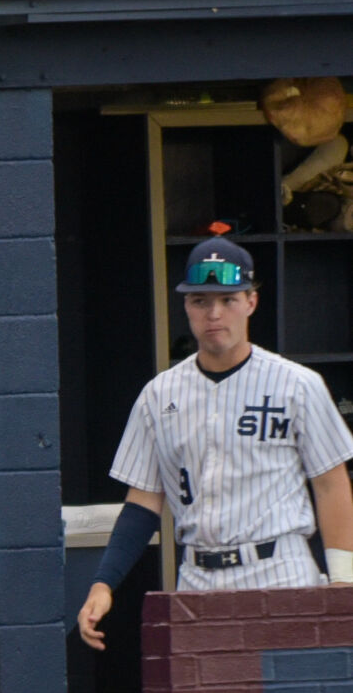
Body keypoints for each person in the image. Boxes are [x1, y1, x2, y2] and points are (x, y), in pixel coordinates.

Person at [78, 235, 353, 649]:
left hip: (280, 571)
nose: (214, 313)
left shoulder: (297, 385)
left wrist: (343, 582)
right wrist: (103, 582)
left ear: (251, 302)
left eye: (227, 300)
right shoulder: (160, 394)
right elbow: (142, 504)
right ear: (186, 307)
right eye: (201, 301)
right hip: (199, 578)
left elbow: (331, 484)